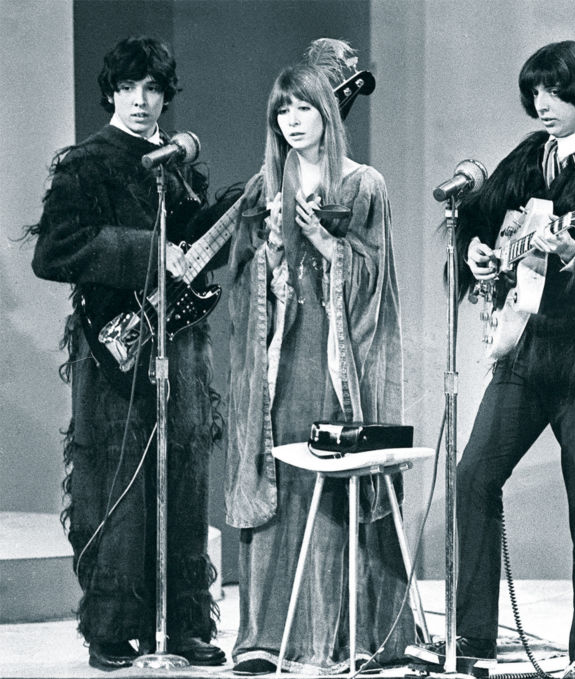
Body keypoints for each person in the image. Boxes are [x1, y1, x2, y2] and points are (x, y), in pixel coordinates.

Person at [413, 41, 575, 679]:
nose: (543, 104)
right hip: (526, 353)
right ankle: (471, 640)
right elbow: (479, 224)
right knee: (473, 477)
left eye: (554, 91)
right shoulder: (531, 157)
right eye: (535, 93)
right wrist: (476, 252)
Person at [29, 36, 236, 670]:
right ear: (112, 94)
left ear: (166, 96)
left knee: (185, 476)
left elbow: (196, 251)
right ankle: (112, 629)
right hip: (112, 347)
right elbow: (54, 251)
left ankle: (183, 625)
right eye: (128, 89)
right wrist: (147, 249)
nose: (141, 101)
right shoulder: (86, 163)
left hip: (181, 343)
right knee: (117, 481)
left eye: (152, 89)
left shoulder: (178, 165)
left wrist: (231, 216)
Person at [224, 40, 414, 673]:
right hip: (281, 356)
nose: (293, 121)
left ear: (328, 112)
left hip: (336, 361)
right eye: (283, 112)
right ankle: (264, 638)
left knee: (331, 486)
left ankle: (340, 636)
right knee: (278, 482)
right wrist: (274, 250)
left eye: (304, 108)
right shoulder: (263, 187)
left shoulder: (364, 184)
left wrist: (324, 243)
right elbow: (244, 281)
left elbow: (377, 279)